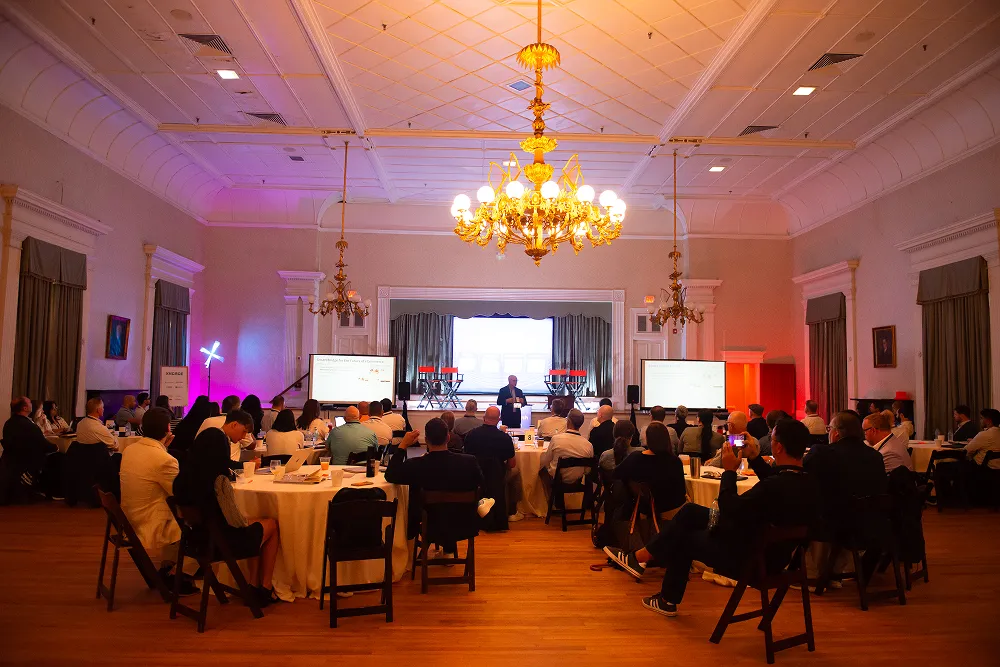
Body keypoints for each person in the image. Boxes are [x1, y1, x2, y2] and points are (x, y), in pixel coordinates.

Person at [604, 419, 819, 618]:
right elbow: (774, 482)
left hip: (748, 558)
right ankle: (639, 558)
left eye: (771, 439)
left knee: (683, 537)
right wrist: (754, 458)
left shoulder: (772, 487)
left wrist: (729, 472)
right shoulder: (808, 483)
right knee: (690, 512)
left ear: (778, 447)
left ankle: (666, 598)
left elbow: (729, 507)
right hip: (773, 555)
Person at [173, 429, 280, 606]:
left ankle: (253, 584)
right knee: (270, 525)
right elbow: (237, 522)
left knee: (257, 524)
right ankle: (265, 587)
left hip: (195, 541)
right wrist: (248, 522)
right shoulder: (219, 481)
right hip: (222, 543)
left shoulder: (180, 480)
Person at [118, 407, 195, 595]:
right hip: (149, 523)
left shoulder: (130, 449)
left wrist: (163, 448)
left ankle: (169, 567)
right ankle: (178, 573)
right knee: (200, 522)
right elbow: (180, 493)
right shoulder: (164, 459)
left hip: (128, 519)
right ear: (168, 428)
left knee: (179, 514)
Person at [802, 411, 887, 579]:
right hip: (871, 526)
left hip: (835, 526)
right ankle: (836, 571)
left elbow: (802, 478)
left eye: (829, 429)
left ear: (835, 433)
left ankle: (812, 572)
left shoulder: (822, 453)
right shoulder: (875, 456)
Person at [384, 419, 483, 559]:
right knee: (448, 509)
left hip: (427, 524)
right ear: (448, 437)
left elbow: (391, 475)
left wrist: (403, 445)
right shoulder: (469, 462)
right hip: (463, 522)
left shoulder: (415, 465)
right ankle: (448, 549)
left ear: (426, 440)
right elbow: (480, 484)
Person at [614, 422, 687, 519]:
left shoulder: (636, 458)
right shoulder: (675, 461)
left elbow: (615, 474)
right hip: (672, 509)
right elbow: (682, 492)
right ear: (667, 439)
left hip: (646, 509)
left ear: (647, 439)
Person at [464, 406, 521, 523]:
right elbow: (512, 464)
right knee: (516, 474)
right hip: (496, 477)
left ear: (484, 418)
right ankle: (512, 511)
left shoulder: (471, 435)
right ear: (499, 420)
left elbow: (466, 459)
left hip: (475, 476)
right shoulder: (505, 438)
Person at [1, 397, 56, 488]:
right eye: (30, 402)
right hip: (26, 465)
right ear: (25, 408)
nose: (31, 404)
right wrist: (56, 447)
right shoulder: (29, 426)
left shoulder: (9, 423)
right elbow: (44, 445)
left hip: (10, 463)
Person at [540, 409, 593, 488]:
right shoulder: (588, 445)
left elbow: (546, 461)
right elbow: (587, 470)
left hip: (556, 480)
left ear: (568, 422)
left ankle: (548, 495)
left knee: (541, 470)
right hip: (577, 481)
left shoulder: (556, 439)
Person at [197, 396, 254, 462]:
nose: (243, 436)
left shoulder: (209, 422)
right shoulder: (216, 436)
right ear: (234, 425)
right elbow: (251, 445)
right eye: (244, 432)